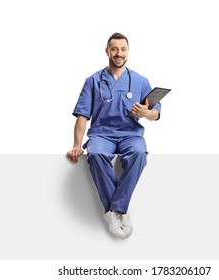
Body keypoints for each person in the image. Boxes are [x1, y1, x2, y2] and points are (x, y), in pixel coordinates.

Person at [66, 32, 161, 240]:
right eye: (114, 49)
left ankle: (115, 210)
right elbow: (82, 115)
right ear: (107, 51)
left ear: (128, 52)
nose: (119, 53)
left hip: (130, 134)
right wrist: (76, 144)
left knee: (139, 154)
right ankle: (119, 212)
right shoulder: (92, 81)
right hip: (102, 134)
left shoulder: (141, 81)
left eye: (123, 49)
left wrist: (146, 113)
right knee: (96, 155)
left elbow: (155, 114)